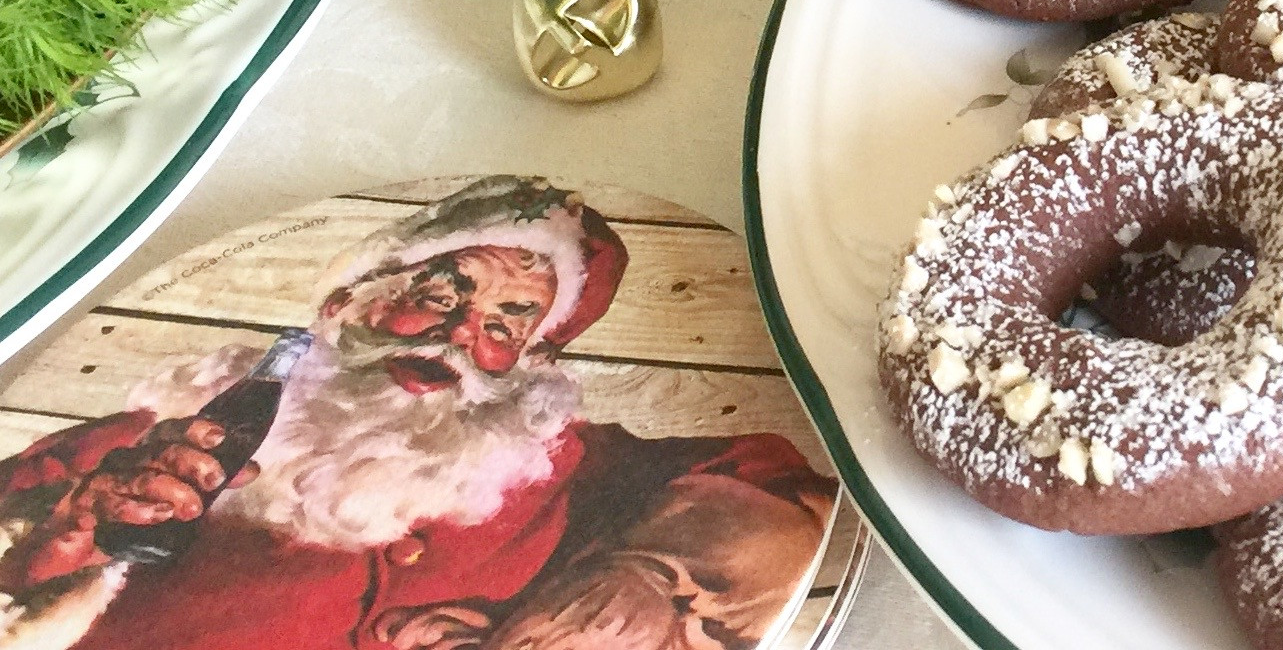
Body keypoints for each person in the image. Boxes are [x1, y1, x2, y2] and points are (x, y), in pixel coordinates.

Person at [0, 177, 836, 650]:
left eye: (509, 321)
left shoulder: (556, 461)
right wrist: (55, 553)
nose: (460, 333)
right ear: (356, 297)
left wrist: (648, 577)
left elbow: (780, 484)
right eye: (440, 290)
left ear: (530, 359)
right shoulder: (148, 449)